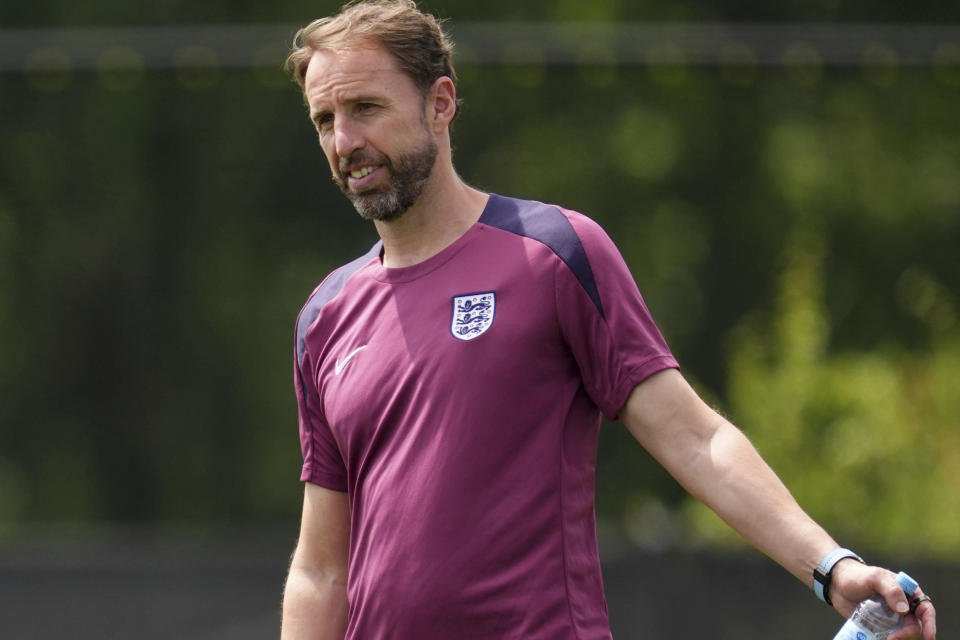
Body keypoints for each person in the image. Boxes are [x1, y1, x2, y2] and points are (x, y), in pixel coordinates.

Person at [279, 1, 938, 638]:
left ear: (440, 103)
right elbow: (321, 569)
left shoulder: (554, 252)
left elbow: (696, 439)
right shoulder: (325, 318)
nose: (345, 140)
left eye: (365, 108)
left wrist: (832, 568)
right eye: (324, 119)